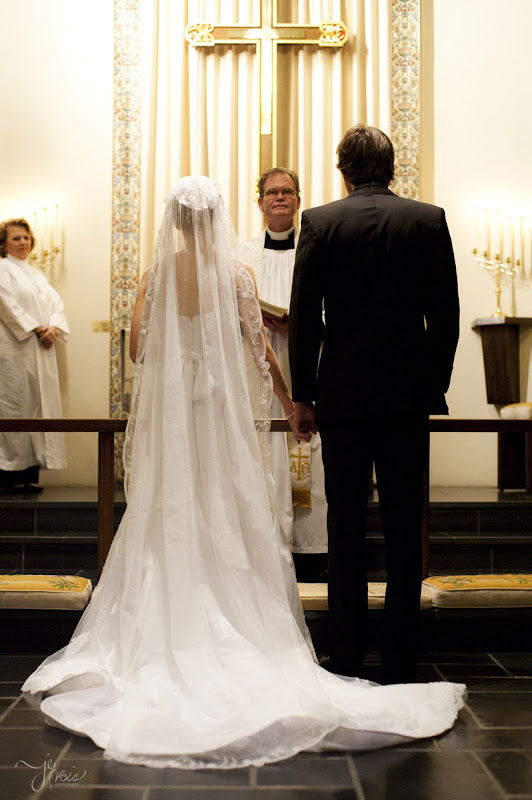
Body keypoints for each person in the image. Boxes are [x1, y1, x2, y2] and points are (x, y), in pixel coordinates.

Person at [23, 177, 465, 769]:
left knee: (172, 506)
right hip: (219, 412)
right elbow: (260, 351)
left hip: (178, 417)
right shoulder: (236, 275)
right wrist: (291, 401)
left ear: (175, 223)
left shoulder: (154, 276)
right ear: (218, 218)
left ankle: (168, 622)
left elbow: (139, 351)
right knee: (226, 503)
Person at [289, 125, 460, 684]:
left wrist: (304, 394)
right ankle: (400, 656)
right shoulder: (426, 220)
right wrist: (431, 383)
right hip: (406, 397)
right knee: (404, 525)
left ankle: (346, 653)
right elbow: (447, 317)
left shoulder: (320, 222)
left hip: (341, 395)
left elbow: (305, 318)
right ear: (391, 168)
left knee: (345, 525)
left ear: (343, 170)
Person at [236, 168, 328, 563]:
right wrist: (256, 318)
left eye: (287, 192)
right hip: (259, 363)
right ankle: (269, 546)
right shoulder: (242, 255)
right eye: (272, 192)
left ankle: (311, 546)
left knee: (310, 446)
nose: (279, 198)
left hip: (307, 358)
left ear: (298, 200)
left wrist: (304, 322)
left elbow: (334, 304)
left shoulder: (318, 249)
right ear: (259, 202)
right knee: (264, 447)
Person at [0, 218, 69, 493]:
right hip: (14, 351)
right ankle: (10, 477)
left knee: (37, 408)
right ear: (3, 244)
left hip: (40, 349)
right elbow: (6, 302)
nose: (23, 242)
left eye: (26, 238)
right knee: (15, 407)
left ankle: (28, 476)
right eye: (16, 238)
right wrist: (36, 328)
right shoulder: (3, 268)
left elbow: (56, 304)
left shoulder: (37, 274)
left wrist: (53, 327)